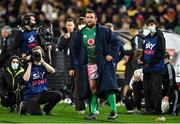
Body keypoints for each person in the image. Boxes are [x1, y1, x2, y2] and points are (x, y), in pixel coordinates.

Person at [72, 10, 120, 120]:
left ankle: (114, 111)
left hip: (103, 63)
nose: (89, 19)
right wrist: (79, 61)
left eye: (91, 17)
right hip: (89, 64)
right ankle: (93, 113)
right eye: (87, 17)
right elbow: (75, 48)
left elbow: (117, 42)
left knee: (109, 87)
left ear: (96, 19)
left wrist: (111, 55)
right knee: (92, 88)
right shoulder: (81, 33)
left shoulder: (104, 30)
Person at [22, 46, 62, 115]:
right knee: (37, 113)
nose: (37, 55)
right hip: (31, 95)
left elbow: (53, 71)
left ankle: (47, 110)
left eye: (39, 54)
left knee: (58, 95)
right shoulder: (28, 65)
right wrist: (30, 64)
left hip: (42, 93)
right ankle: (24, 106)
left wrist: (42, 61)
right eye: (35, 54)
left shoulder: (43, 65)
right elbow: (26, 79)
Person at [139, 19, 166, 114]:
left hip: (156, 68)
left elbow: (160, 53)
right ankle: (149, 109)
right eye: (149, 25)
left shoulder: (160, 37)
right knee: (146, 90)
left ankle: (157, 110)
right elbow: (144, 51)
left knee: (155, 90)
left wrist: (150, 62)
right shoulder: (146, 38)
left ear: (156, 25)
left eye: (152, 24)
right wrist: (141, 59)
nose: (150, 26)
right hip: (147, 68)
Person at [69, 17, 86, 113]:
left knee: (90, 85)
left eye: (83, 23)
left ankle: (93, 107)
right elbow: (72, 52)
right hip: (77, 65)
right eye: (80, 24)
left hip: (88, 63)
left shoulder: (89, 34)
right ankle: (80, 107)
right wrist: (71, 67)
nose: (82, 25)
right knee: (78, 86)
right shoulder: (75, 35)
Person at [57, 18, 75, 103]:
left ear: (74, 26)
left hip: (76, 62)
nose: (69, 27)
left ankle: (77, 100)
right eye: (68, 25)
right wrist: (65, 38)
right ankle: (71, 98)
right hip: (66, 62)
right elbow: (59, 48)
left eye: (71, 25)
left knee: (76, 82)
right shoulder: (63, 36)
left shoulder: (77, 35)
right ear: (66, 26)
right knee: (68, 82)